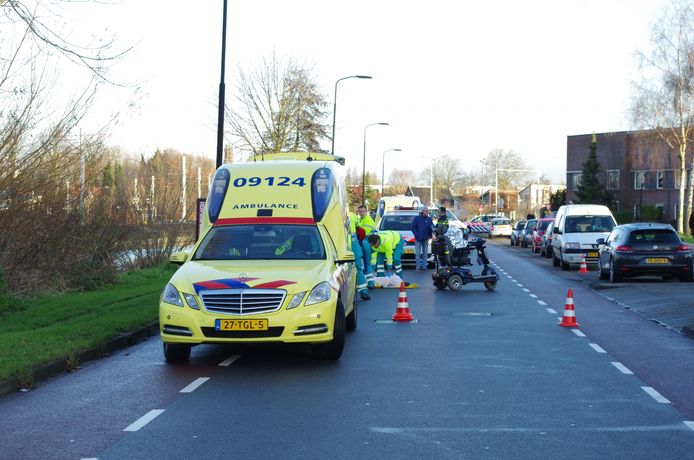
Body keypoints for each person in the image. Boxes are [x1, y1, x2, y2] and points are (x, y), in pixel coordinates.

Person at [349, 211, 370, 300]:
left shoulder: (331, 213)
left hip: (340, 248)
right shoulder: (352, 215)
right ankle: (363, 292)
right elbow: (359, 228)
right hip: (354, 247)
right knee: (359, 269)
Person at [356, 205, 377, 288]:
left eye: (363, 211)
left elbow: (364, 234)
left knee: (366, 264)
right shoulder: (361, 220)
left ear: (366, 211)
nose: (361, 213)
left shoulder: (368, 220)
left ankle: (370, 283)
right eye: (360, 211)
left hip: (367, 244)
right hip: (366, 244)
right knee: (366, 264)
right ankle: (369, 282)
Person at [411, 206, 433, 271]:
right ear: (422, 211)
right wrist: (416, 235)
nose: (427, 212)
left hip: (426, 239)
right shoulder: (417, 219)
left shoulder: (429, 219)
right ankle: (418, 267)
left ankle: (424, 267)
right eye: (426, 211)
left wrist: (430, 236)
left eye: (428, 211)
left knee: (425, 254)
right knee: (417, 254)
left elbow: (431, 228)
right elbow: (413, 227)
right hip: (418, 239)